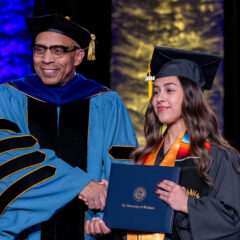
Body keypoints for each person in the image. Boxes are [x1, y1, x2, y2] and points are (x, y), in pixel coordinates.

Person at [0, 14, 137, 240]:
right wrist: (81, 185)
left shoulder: (106, 102)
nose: (46, 59)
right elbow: (9, 156)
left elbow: (123, 163)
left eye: (58, 51)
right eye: (39, 49)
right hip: (25, 233)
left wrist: (110, 216)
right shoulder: (9, 97)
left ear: (79, 56)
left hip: (88, 229)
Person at [85, 46, 240, 240]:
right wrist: (114, 211)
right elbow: (141, 217)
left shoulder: (218, 156)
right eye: (156, 91)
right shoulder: (145, 156)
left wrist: (187, 204)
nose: (160, 98)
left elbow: (233, 221)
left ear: (191, 96)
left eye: (169, 90)